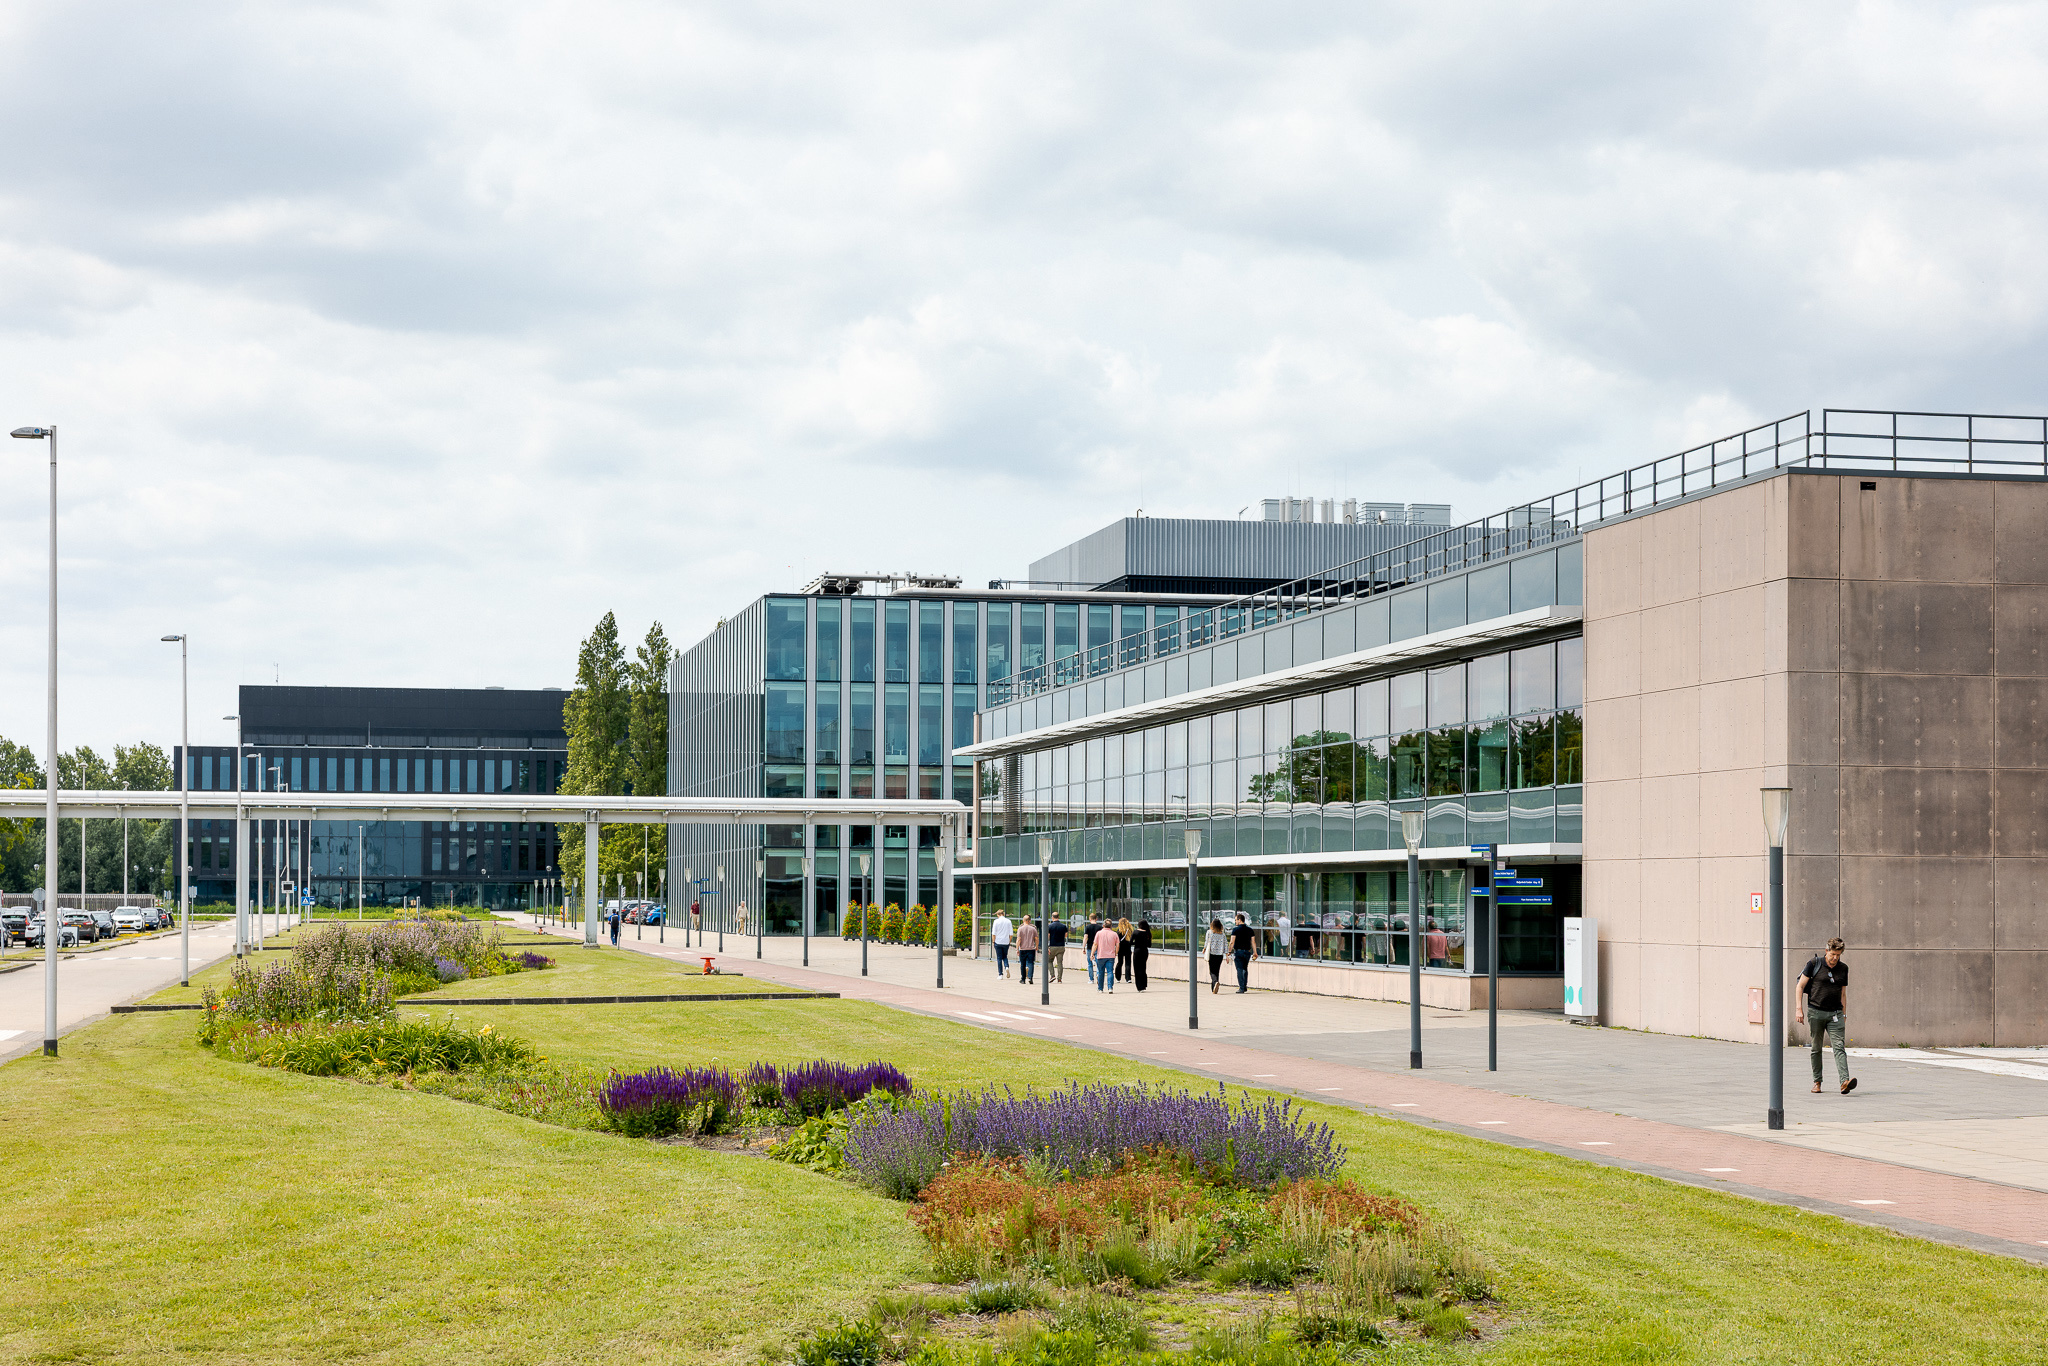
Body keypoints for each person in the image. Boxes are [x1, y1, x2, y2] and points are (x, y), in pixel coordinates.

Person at [1797, 937, 1857, 1095]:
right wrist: (1798, 1009)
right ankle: (1817, 1082)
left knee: (1839, 1047)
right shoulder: (1814, 964)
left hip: (1835, 1014)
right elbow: (1800, 986)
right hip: (1815, 1011)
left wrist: (1844, 1013)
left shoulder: (1843, 968)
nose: (1835, 958)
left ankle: (1844, 1082)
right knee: (1816, 1048)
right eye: (1833, 954)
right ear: (1826, 951)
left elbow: (1843, 993)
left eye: (1838, 955)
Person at [1229, 912, 1258, 993]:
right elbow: (1253, 942)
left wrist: (1229, 951)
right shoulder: (1250, 930)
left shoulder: (1235, 930)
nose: (1235, 922)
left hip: (1238, 952)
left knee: (1239, 969)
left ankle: (1241, 988)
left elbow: (1232, 942)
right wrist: (1255, 952)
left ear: (1239, 920)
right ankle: (1244, 986)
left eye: (1236, 920)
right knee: (1245, 968)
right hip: (1247, 952)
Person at [1092, 918, 1121, 992]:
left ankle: (1100, 988)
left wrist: (1092, 953)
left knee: (1101, 972)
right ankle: (1110, 987)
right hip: (1110, 956)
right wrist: (1115, 953)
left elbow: (1095, 944)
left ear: (1103, 925)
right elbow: (1117, 945)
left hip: (1101, 955)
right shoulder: (1114, 934)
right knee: (1110, 971)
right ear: (1111, 926)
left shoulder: (1098, 933)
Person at [1204, 918, 1227, 994]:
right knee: (1217, 970)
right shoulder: (1222, 934)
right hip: (1220, 955)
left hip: (1212, 954)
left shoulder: (1209, 932)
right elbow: (1225, 945)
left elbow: (1207, 942)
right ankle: (1214, 988)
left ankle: (1215, 982)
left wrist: (1204, 949)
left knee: (1212, 971)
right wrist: (1226, 955)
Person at [1083, 912, 1105, 987]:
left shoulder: (1087, 927)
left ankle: (1091, 979)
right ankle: (1098, 976)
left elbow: (1085, 937)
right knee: (1099, 963)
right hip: (1098, 947)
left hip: (1089, 947)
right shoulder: (1100, 927)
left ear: (1089, 919)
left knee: (1090, 964)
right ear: (1096, 919)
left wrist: (1083, 947)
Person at [1016, 916, 1039, 986]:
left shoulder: (1020, 929)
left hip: (1023, 949)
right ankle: (1030, 978)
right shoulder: (1033, 929)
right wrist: (1036, 946)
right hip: (1031, 949)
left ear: (1023, 920)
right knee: (1031, 963)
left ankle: (1023, 979)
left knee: (1023, 964)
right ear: (1029, 920)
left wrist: (1017, 949)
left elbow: (1019, 939)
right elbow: (1036, 939)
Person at [1131, 919, 1152, 992]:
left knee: (1137, 969)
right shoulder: (1148, 933)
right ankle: (1144, 985)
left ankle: (1139, 986)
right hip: (1145, 951)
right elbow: (1149, 945)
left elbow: (1130, 942)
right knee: (1143, 968)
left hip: (1137, 951)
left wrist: (1136, 943)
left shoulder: (1135, 932)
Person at [990, 910, 1013, 978]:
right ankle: (1006, 966)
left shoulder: (996, 921)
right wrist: (1009, 941)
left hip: (998, 941)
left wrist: (993, 941)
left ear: (998, 915)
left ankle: (1000, 974)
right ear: (1003, 914)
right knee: (1005, 956)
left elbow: (993, 933)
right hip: (1006, 942)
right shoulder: (1008, 921)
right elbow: (1011, 934)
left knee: (999, 958)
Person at [1047, 915, 1068, 983]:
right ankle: (1059, 979)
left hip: (1052, 946)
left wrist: (1047, 947)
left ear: (1052, 917)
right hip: (1061, 946)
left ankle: (1052, 975)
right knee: (1059, 963)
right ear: (1058, 917)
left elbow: (1048, 936)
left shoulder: (1050, 926)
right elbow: (1066, 935)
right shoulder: (1064, 926)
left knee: (1049, 961)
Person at [1115, 917, 1135, 982]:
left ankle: (1118, 977)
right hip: (1128, 949)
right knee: (1128, 963)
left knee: (1120, 963)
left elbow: (1117, 940)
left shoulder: (1119, 931)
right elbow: (1131, 941)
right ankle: (1128, 978)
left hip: (1120, 949)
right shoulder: (1130, 931)